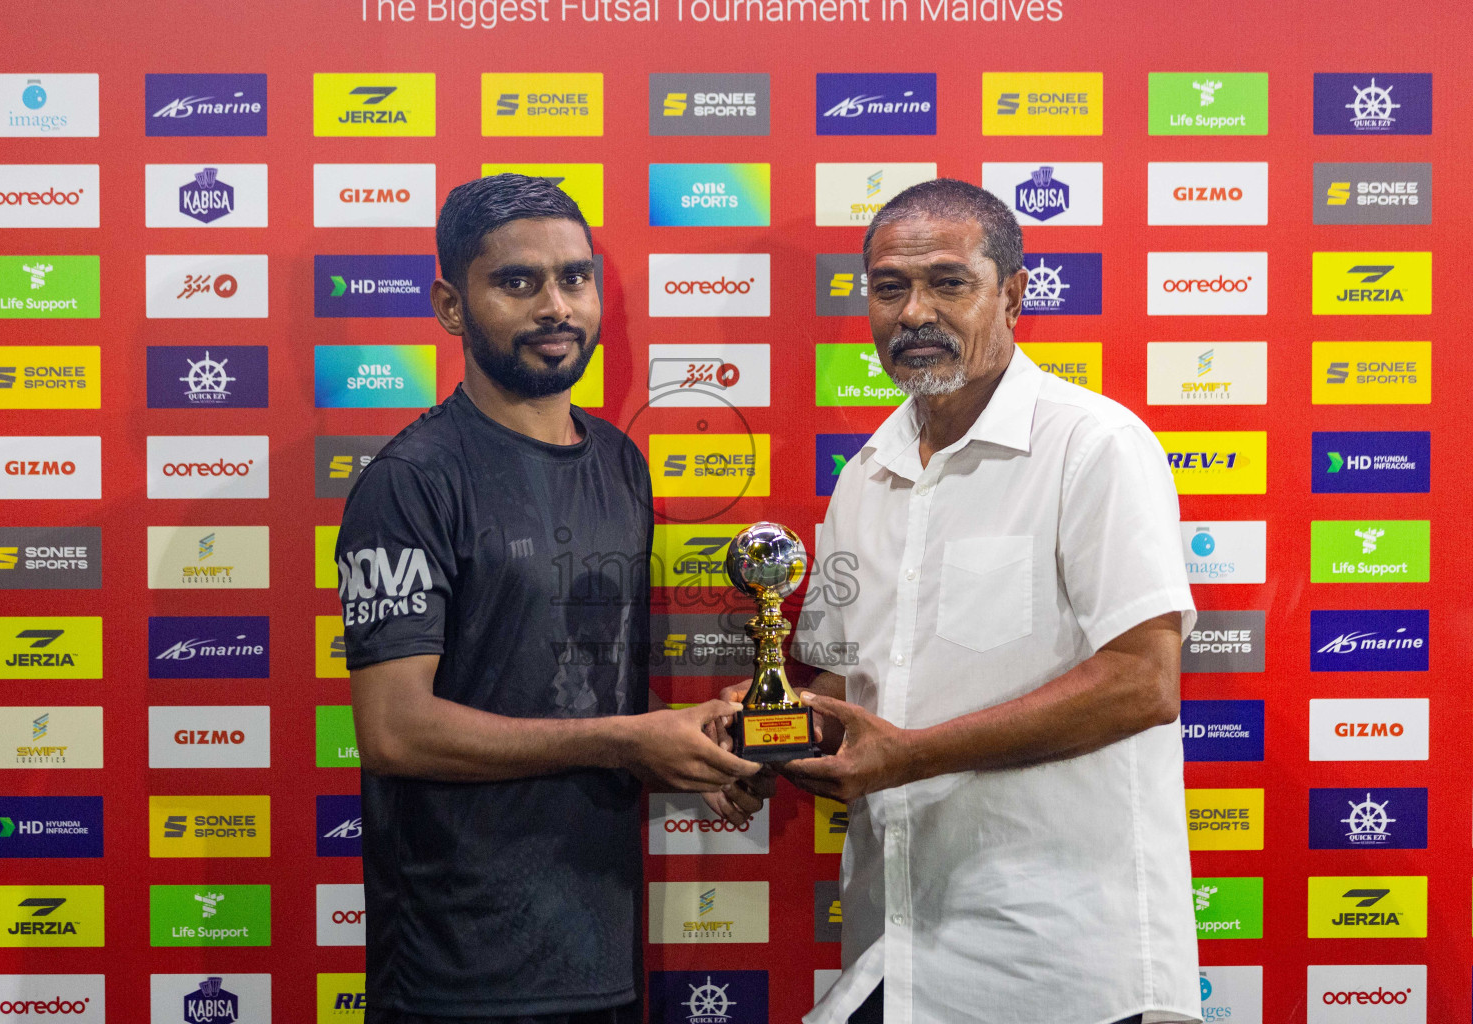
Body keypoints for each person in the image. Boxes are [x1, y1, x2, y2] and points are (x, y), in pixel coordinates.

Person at [338, 174, 764, 1024]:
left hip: (599, 946)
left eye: (574, 277)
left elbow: (570, 685)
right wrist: (629, 739)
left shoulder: (618, 462)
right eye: (517, 282)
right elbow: (393, 731)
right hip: (458, 969)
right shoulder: (410, 482)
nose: (556, 306)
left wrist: (685, 745)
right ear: (451, 307)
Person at [775, 179, 1202, 1024]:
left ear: (1011, 294)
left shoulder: (1093, 446)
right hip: (892, 952)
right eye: (889, 287)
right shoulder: (863, 477)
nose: (913, 312)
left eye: (947, 282)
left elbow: (1142, 683)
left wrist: (910, 755)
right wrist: (768, 736)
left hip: (1056, 965)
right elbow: (838, 687)